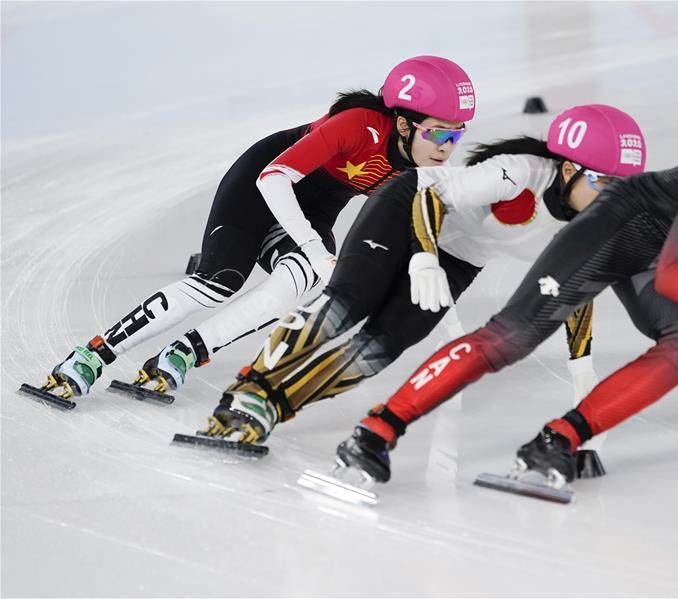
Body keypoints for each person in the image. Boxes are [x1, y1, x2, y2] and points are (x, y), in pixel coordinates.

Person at [331, 104, 678, 487]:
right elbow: (677, 276)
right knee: (512, 337)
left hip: (655, 255)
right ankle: (377, 428)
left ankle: (558, 441)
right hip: (616, 226)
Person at [199, 104, 647, 446]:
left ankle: (274, 405)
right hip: (405, 213)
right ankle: (249, 386)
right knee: (346, 304)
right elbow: (432, 194)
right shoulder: (519, 172)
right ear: (569, 170)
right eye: (605, 182)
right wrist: (423, 258)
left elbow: (573, 286)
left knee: (381, 348)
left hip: (458, 258)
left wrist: (582, 368)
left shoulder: (595, 223)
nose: (614, 196)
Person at [35, 56, 476, 400]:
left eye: (457, 136)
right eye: (439, 134)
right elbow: (274, 178)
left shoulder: (414, 171)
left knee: (301, 281)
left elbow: (414, 241)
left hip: (313, 210)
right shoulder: (357, 124)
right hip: (260, 181)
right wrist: (310, 243)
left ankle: (186, 351)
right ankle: (92, 355)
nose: (447, 149)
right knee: (218, 282)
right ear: (403, 122)